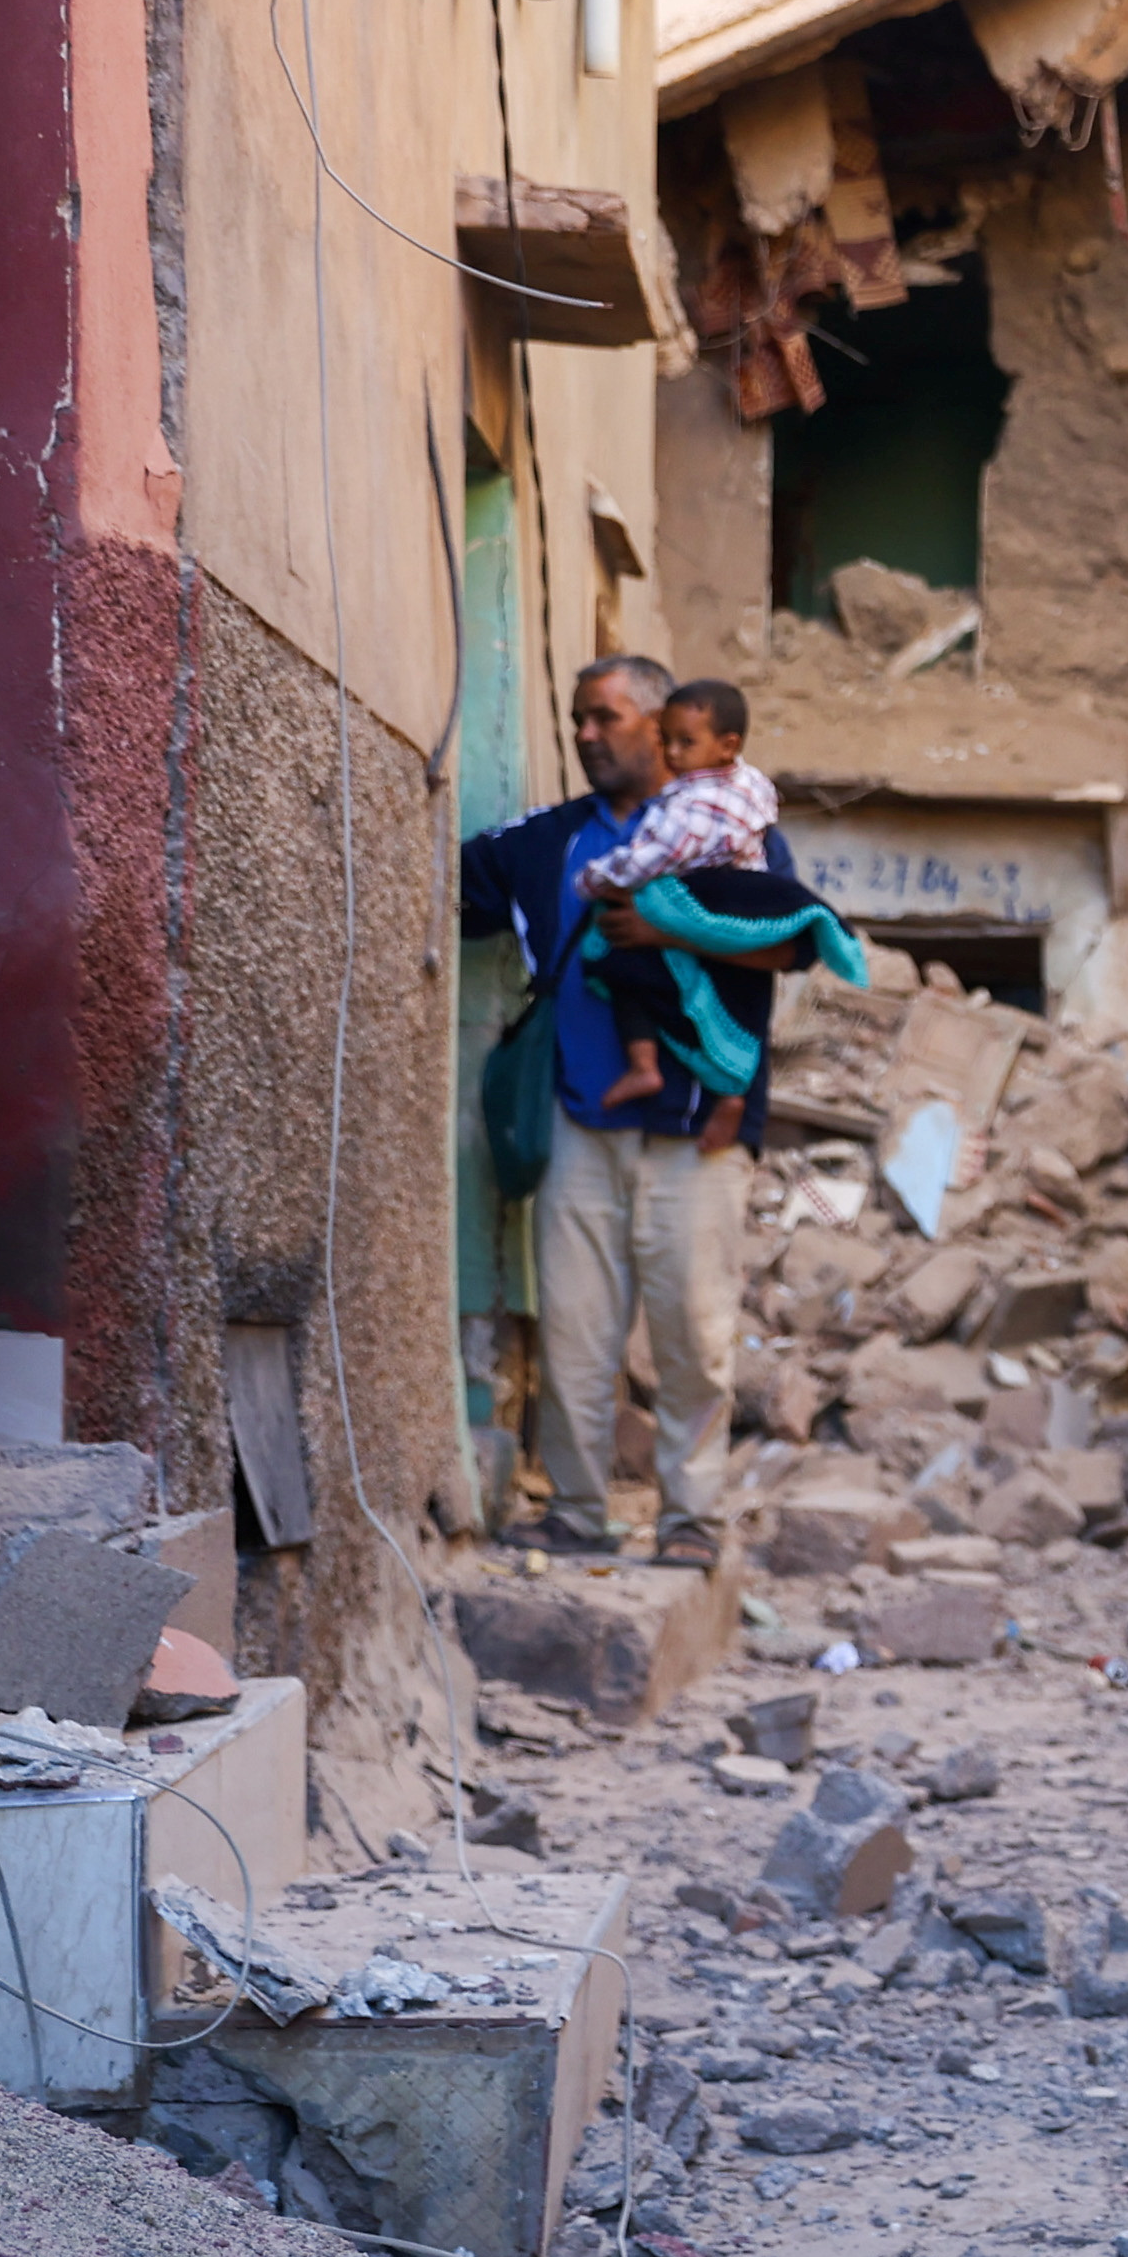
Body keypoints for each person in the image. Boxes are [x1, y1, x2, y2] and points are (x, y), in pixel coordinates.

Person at [455, 654, 813, 1571]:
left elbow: (793, 942)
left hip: (699, 1129)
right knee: (576, 1332)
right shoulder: (546, 841)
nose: (585, 735)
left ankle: (690, 1519)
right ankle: (577, 1511)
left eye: (605, 718)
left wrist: (664, 930)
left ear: (660, 729)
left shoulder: (726, 824)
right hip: (579, 1117)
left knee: (694, 1332)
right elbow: (443, 886)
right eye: (576, 718)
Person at [578, 679, 796, 1138]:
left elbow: (658, 856)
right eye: (667, 741)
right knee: (728, 1009)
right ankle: (726, 1094)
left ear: (726, 745)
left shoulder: (695, 802)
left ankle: (653, 1068)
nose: (672, 754)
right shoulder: (748, 785)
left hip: (707, 912)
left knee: (621, 965)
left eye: (686, 743)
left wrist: (600, 880)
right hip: (736, 913)